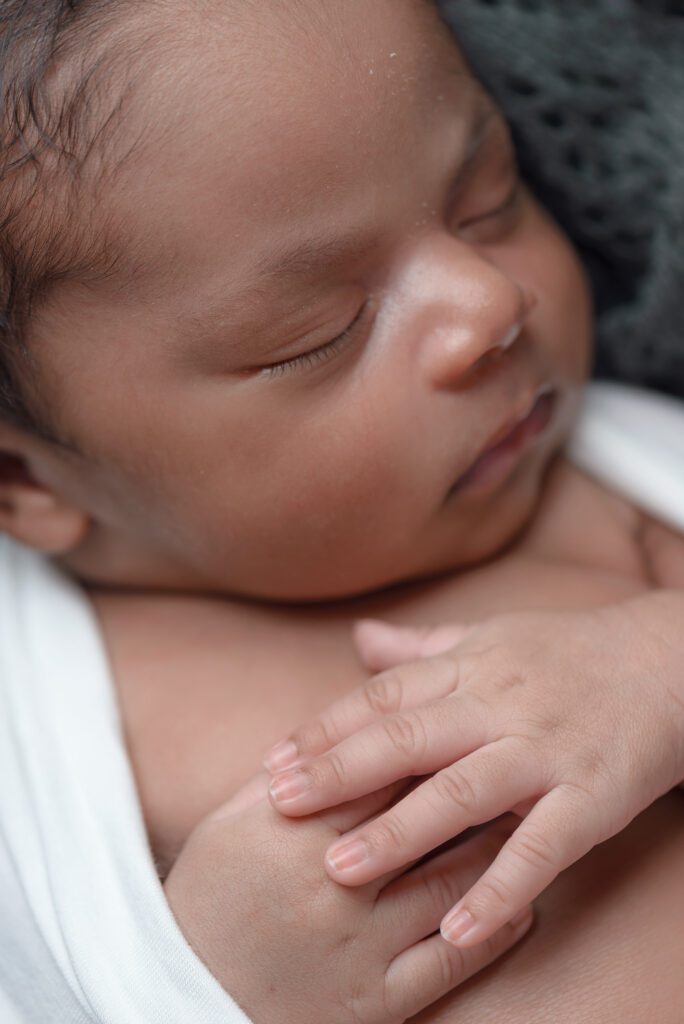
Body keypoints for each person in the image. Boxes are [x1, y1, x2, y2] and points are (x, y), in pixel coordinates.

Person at [0, 0, 683, 1021]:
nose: (490, 304)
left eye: (488, 198)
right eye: (320, 329)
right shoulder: (29, 750)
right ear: (31, 484)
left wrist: (656, 667)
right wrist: (209, 994)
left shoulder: (617, 470)